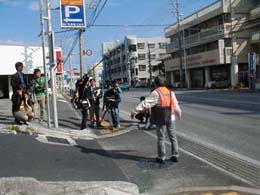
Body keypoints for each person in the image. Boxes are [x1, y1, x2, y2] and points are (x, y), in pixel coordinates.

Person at [131, 76, 182, 164]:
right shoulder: (170, 92)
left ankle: (161, 157)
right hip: (171, 117)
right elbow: (175, 104)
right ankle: (175, 155)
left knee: (161, 138)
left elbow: (146, 103)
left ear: (156, 83)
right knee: (173, 137)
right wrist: (179, 114)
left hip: (160, 117)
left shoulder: (156, 92)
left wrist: (134, 111)